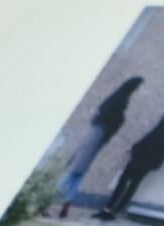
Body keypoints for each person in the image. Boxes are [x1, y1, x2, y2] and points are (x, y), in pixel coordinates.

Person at [95, 83, 164, 221]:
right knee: (126, 179)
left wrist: (142, 147)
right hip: (147, 149)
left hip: (152, 152)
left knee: (132, 181)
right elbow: (156, 130)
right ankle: (109, 209)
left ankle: (112, 211)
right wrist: (138, 145)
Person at [55, 75, 142, 216]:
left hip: (96, 136)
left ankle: (55, 201)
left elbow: (101, 114)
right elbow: (114, 120)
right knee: (76, 172)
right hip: (99, 138)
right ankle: (59, 201)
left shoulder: (115, 100)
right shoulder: (120, 104)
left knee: (75, 171)